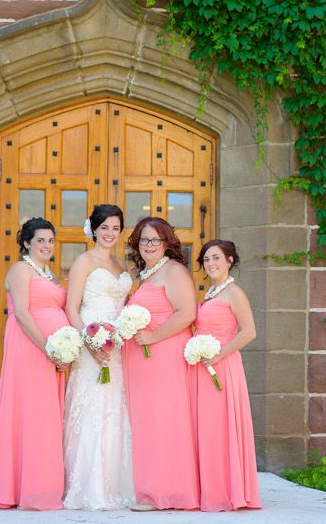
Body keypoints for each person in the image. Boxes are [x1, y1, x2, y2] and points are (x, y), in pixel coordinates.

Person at [0, 218, 68, 510]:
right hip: (30, 348)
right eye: (40, 241)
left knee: (47, 415)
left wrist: (64, 349)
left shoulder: (50, 275)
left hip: (51, 352)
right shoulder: (21, 269)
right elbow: (21, 313)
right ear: (26, 243)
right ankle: (27, 490)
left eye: (51, 241)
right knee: (33, 414)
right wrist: (49, 349)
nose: (47, 246)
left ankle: (43, 484)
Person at [123, 217, 199, 511]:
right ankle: (149, 487)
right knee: (147, 423)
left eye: (155, 240)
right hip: (143, 359)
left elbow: (186, 313)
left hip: (163, 355)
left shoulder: (174, 271)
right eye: (143, 240)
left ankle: (164, 493)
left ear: (167, 242)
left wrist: (153, 336)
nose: (149, 245)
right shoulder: (147, 274)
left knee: (163, 422)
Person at [62, 204, 135, 510]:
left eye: (115, 228)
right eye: (104, 227)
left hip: (117, 346)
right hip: (91, 340)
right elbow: (71, 307)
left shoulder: (121, 264)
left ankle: (114, 484)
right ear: (93, 228)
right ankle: (88, 488)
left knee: (115, 410)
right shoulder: (84, 261)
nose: (109, 233)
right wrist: (89, 342)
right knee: (91, 408)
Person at [191, 239, 262, 511]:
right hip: (204, 367)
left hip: (223, 366)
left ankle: (225, 492)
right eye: (207, 259)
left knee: (221, 429)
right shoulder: (210, 293)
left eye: (216, 258)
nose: (210, 263)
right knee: (209, 430)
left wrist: (218, 355)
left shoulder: (234, 293)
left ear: (230, 261)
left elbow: (249, 332)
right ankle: (211, 488)